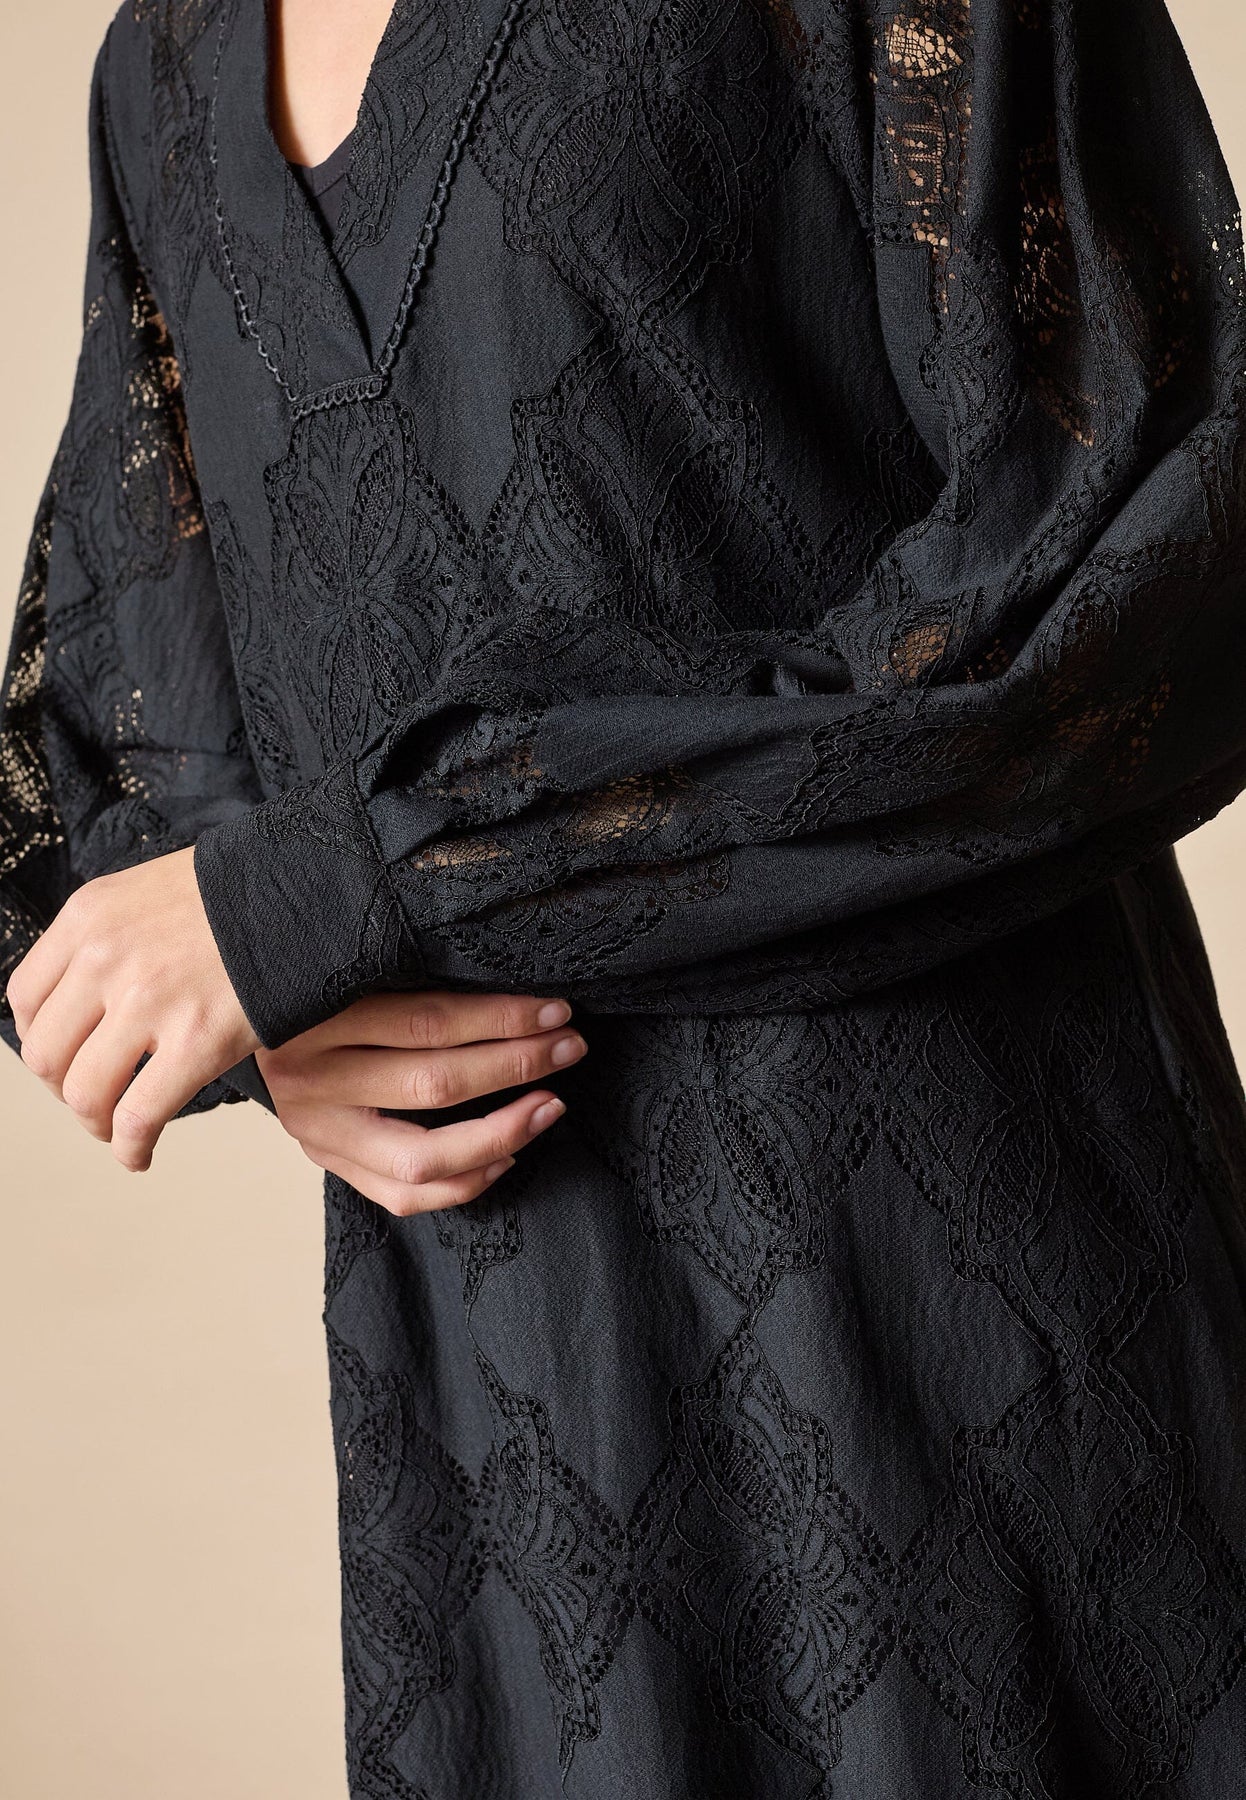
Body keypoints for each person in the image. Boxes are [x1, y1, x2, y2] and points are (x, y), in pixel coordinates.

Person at [3, 0, 1246, 1791]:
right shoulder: (166, 69)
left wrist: (361, 880)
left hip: (952, 1307)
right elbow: (113, 757)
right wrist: (279, 1013)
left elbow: (1132, 550)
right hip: (516, 1418)